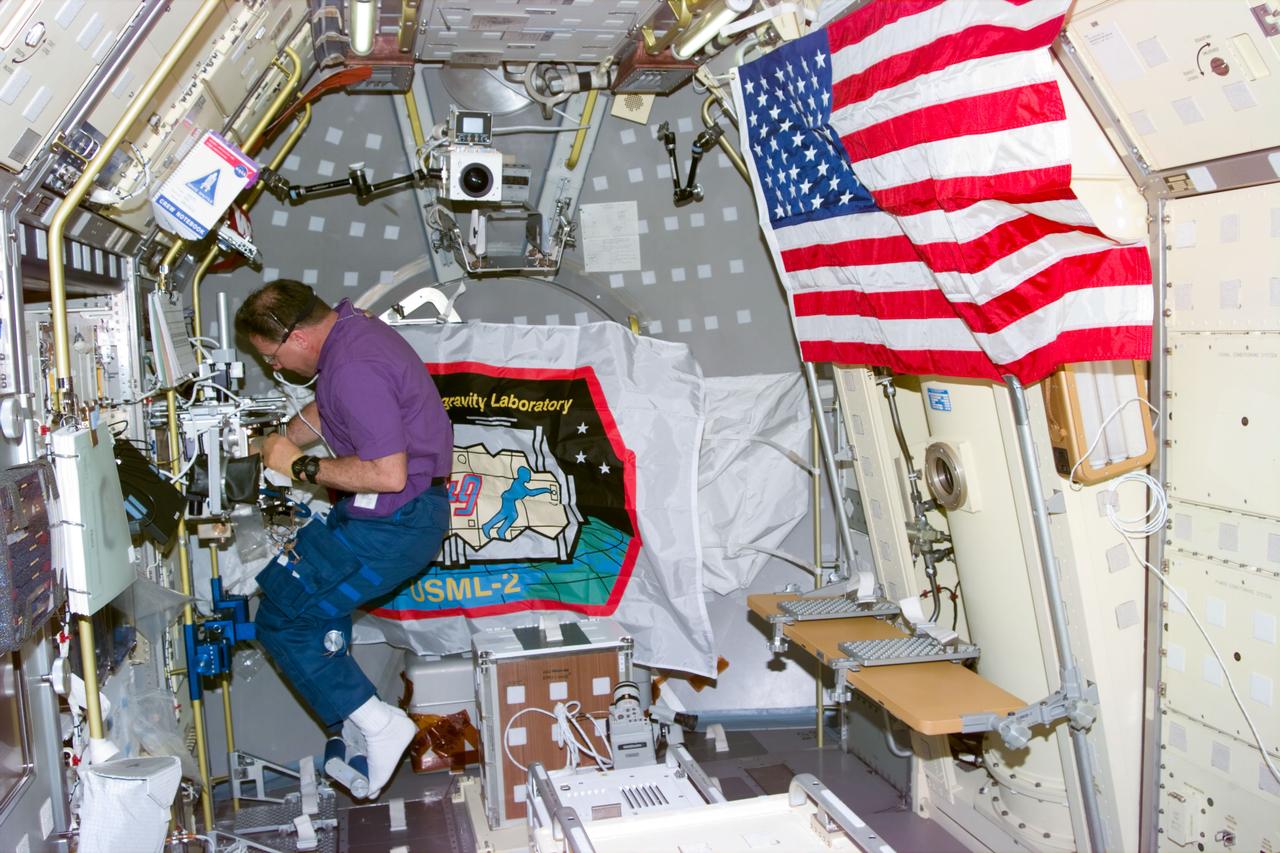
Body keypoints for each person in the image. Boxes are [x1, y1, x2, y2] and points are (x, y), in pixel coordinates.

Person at [234, 279, 453, 798]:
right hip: (380, 516)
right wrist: (278, 441)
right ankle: (355, 722)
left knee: (284, 620)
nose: (275, 367)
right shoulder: (349, 333)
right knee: (311, 608)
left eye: (273, 357)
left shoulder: (353, 366)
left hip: (394, 521)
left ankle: (380, 724)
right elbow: (326, 407)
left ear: (296, 336)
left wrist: (299, 465)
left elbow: (387, 475)